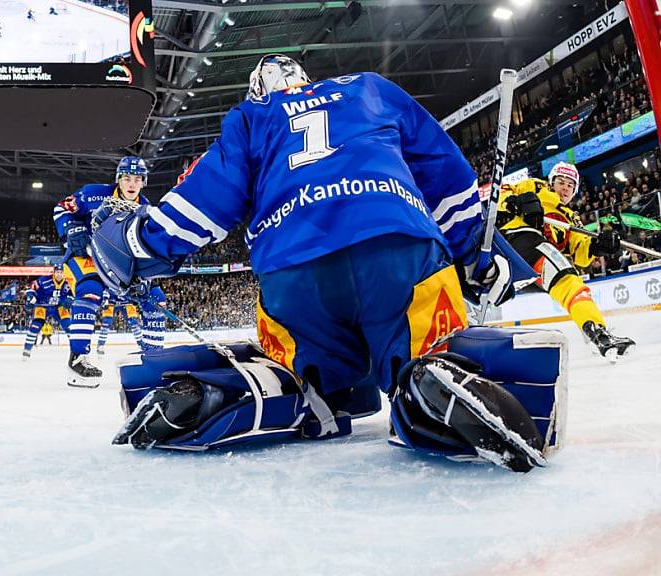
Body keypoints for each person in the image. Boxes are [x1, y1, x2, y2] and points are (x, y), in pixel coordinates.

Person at [90, 55, 559, 472]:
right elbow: (443, 169)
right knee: (429, 350)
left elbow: (207, 202)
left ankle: (231, 396)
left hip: (295, 272)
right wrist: (472, 244)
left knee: (306, 381)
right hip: (396, 245)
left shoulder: (252, 117)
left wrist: (142, 244)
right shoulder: (370, 88)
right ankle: (428, 382)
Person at [497, 162, 634, 360]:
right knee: (564, 275)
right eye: (561, 182)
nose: (565, 187)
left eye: (570, 185)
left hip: (537, 262)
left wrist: (599, 246)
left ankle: (596, 331)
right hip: (516, 241)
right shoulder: (535, 186)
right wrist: (520, 201)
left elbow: (581, 252)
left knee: (571, 282)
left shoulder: (571, 219)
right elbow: (501, 192)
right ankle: (596, 332)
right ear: (551, 182)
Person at [53, 156, 150, 386]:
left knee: (154, 297)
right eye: (127, 178)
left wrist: (143, 276)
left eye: (137, 179)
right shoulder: (93, 194)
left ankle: (153, 356)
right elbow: (61, 208)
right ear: (119, 179)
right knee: (89, 288)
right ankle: (77, 359)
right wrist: (71, 229)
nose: (131, 184)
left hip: (115, 267)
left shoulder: (146, 210)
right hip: (83, 257)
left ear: (143, 182)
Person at [22, 264, 72, 360]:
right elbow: (31, 287)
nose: (59, 274)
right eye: (57, 272)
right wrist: (30, 298)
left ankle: (76, 350)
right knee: (35, 326)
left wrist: (71, 299)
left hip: (59, 307)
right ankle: (27, 349)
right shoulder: (44, 280)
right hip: (42, 305)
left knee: (69, 327)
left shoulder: (69, 282)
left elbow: (75, 292)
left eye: (61, 272)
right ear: (53, 272)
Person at [95, 289, 143, 355]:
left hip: (127, 301)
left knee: (134, 324)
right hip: (111, 302)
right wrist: (105, 298)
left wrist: (135, 296)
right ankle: (100, 345)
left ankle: (142, 345)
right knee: (106, 324)